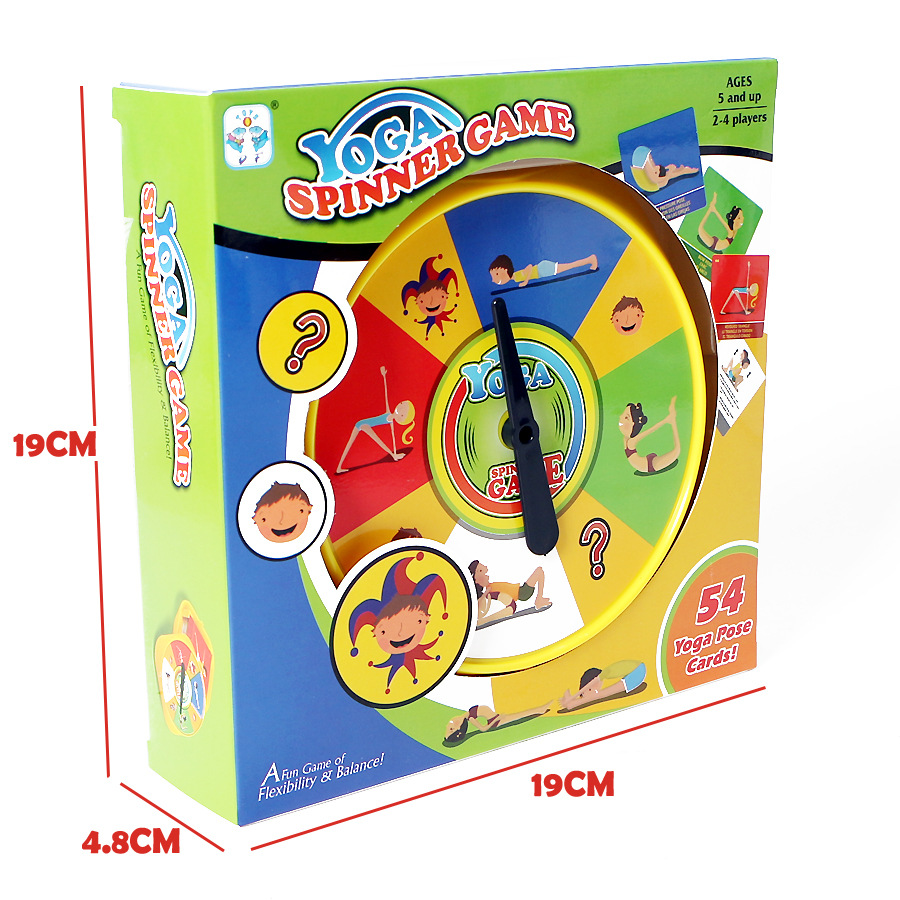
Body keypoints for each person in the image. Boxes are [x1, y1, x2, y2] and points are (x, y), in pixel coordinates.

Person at [335, 367, 415, 473]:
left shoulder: (391, 421)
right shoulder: (388, 412)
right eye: (401, 404)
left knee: (351, 443)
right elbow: (386, 395)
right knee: (376, 440)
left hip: (364, 424)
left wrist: (395, 453)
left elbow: (393, 437)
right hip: (363, 424)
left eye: (403, 411)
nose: (399, 406)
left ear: (402, 418)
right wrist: (384, 376)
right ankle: (339, 468)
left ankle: (339, 468)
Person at [468, 560, 551, 626]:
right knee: (539, 571)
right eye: (480, 571)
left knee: (539, 570)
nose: (487, 575)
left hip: (520, 591)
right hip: (521, 593)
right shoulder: (489, 591)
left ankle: (539, 599)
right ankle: (539, 600)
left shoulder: (490, 587)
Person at [619, 396, 680, 475]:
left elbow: (650, 431)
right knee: (676, 450)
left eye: (626, 417)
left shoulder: (631, 442)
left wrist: (665, 421)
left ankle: (672, 419)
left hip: (649, 466)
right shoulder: (626, 438)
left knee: (677, 450)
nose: (620, 417)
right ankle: (671, 418)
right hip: (646, 463)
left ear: (633, 423)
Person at [444, 700, 553, 744]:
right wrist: (496, 719)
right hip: (495, 720)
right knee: (519, 716)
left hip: (496, 717)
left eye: (449, 726)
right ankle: (540, 709)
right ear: (459, 728)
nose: (451, 722)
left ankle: (540, 709)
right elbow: (483, 729)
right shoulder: (471, 718)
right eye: (451, 728)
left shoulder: (468, 714)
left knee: (518, 714)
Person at [557, 661, 647, 712]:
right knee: (601, 694)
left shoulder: (601, 675)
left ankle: (572, 704)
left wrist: (573, 697)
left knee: (602, 694)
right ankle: (572, 703)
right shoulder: (603, 675)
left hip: (637, 671)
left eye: (586, 692)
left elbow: (590, 687)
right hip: (637, 671)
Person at [489, 252, 598, 288]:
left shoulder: (517, 276)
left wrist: (526, 281)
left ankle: (590, 259)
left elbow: (529, 267)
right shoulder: (515, 278)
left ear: (505, 270)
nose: (495, 279)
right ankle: (590, 260)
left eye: (497, 274)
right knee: (569, 266)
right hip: (542, 271)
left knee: (569, 266)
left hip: (543, 269)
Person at [630, 146, 698, 192]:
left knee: (668, 174)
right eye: (650, 159)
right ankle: (684, 171)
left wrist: (668, 168)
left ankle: (683, 171)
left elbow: (656, 173)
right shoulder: (645, 169)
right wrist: (670, 171)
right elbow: (659, 180)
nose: (651, 160)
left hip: (653, 181)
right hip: (653, 186)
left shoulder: (643, 168)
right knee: (667, 178)